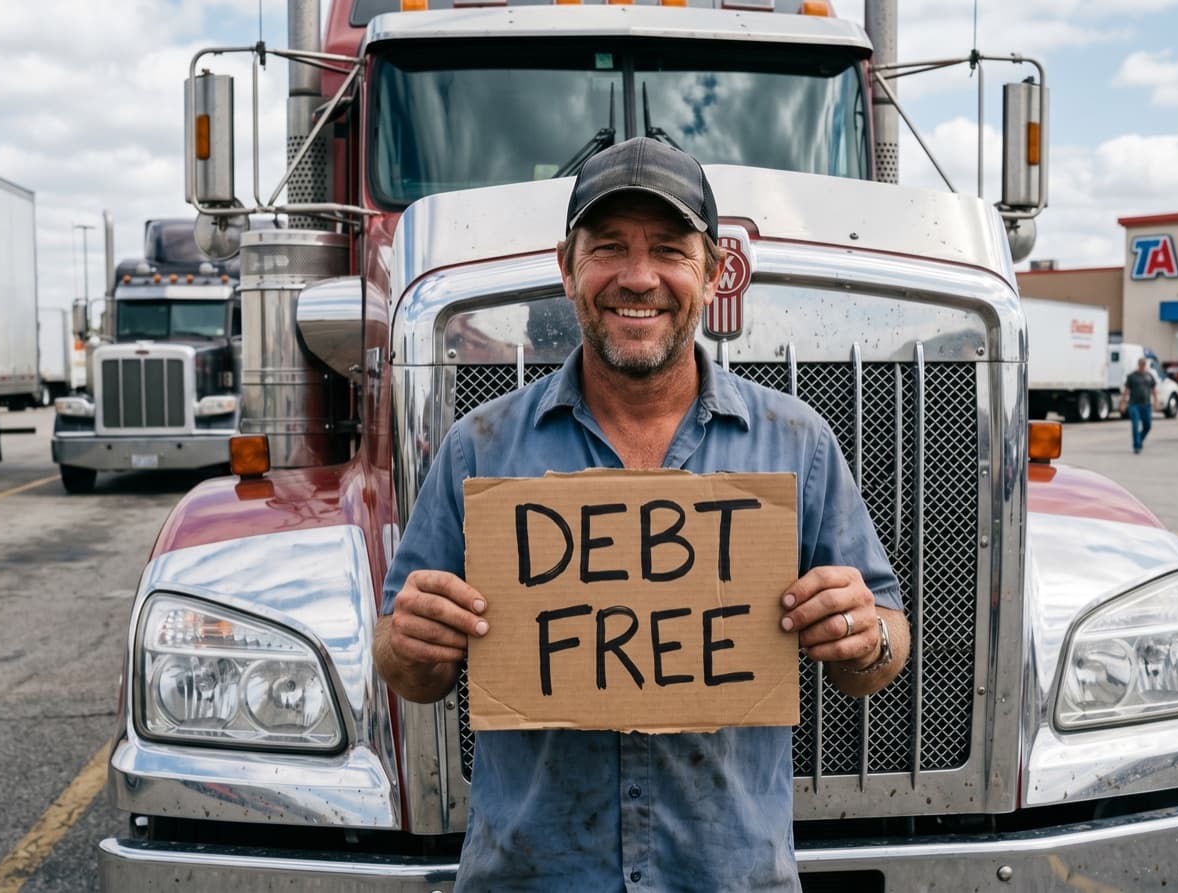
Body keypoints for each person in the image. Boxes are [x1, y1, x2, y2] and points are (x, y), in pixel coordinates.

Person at [372, 137, 910, 889]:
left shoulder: (799, 445)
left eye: (668, 249)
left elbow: (885, 649)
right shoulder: (478, 449)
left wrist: (861, 633)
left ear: (714, 271)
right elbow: (405, 666)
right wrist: (412, 641)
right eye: (609, 249)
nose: (638, 277)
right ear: (567, 268)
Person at [1121, 356, 1160, 454]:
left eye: (1144, 364)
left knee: (1148, 425)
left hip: (1146, 405)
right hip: (1134, 405)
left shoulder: (1149, 376)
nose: (1142, 366)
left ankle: (1140, 440)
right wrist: (1123, 403)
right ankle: (1136, 446)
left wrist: (1156, 401)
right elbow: (1126, 391)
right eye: (1141, 364)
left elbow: (1154, 390)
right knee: (1135, 424)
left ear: (1145, 365)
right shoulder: (1132, 376)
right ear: (1138, 365)